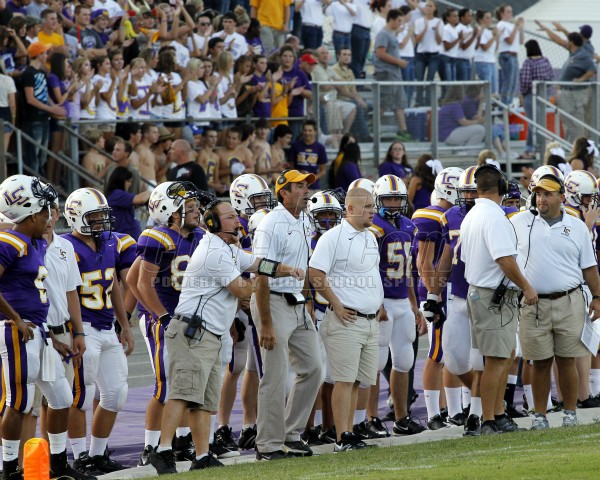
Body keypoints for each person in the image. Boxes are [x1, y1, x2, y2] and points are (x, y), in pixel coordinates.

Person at [148, 200, 304, 473]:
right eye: (230, 217)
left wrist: (287, 268)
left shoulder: (227, 249)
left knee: (203, 401)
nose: (236, 221)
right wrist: (260, 282)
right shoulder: (214, 252)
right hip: (193, 332)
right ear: (213, 223)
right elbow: (241, 289)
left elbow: (257, 262)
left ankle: (202, 455)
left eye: (235, 215)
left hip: (211, 333)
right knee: (183, 393)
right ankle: (161, 450)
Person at [0, 175, 89, 480]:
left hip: (38, 331)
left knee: (62, 398)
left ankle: (59, 464)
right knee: (19, 402)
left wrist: (51, 336)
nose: (50, 217)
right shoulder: (10, 241)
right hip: (16, 331)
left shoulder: (35, 243)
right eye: (45, 211)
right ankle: (9, 469)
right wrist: (15, 318)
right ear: (30, 213)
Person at [511, 173, 600, 430]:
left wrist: (597, 297)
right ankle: (540, 415)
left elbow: (589, 266)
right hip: (533, 304)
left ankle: (570, 412)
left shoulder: (577, 226)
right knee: (539, 362)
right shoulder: (519, 222)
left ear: (561, 197)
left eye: (548, 194)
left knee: (567, 360)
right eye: (538, 194)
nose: (541, 199)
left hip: (569, 299)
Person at [126, 181, 205, 466]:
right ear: (170, 212)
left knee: (186, 382)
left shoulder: (199, 235)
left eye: (195, 206)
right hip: (164, 318)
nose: (196, 211)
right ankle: (150, 447)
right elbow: (136, 281)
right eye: (189, 207)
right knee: (165, 386)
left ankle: (181, 441)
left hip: (189, 319)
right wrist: (160, 316)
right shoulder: (157, 237)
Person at [460, 163, 538, 435]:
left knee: (505, 355)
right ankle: (489, 419)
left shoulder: (472, 215)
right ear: (502, 187)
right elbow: (504, 259)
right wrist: (526, 286)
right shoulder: (494, 217)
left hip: (482, 292)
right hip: (493, 295)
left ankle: (498, 414)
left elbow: (466, 257)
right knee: (496, 360)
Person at [251, 169, 323, 460]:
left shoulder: (304, 219)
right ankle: (268, 444)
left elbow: (302, 264)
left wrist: (308, 300)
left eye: (307, 186)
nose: (307, 191)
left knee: (314, 368)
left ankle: (291, 434)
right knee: (275, 375)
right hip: (273, 301)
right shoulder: (271, 224)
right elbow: (261, 274)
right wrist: (266, 323)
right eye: (300, 186)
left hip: (296, 301)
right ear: (284, 193)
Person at [62, 188, 134, 476]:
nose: (102, 222)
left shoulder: (109, 242)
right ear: (76, 217)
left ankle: (97, 454)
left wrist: (124, 324)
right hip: (83, 329)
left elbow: (113, 283)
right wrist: (75, 331)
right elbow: (65, 292)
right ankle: (80, 456)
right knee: (81, 394)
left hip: (106, 326)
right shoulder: (65, 246)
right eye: (94, 217)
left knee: (116, 393)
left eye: (103, 216)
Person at [308, 187, 383, 451]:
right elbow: (315, 273)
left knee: (358, 381)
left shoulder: (370, 237)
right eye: (367, 206)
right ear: (350, 209)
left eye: (373, 206)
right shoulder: (333, 237)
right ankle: (341, 437)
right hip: (347, 319)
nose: (372, 211)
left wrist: (378, 303)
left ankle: (349, 432)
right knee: (344, 380)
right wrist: (337, 305)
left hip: (369, 319)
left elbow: (371, 274)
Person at [369, 174, 425, 436]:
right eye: (388, 199)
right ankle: (370, 419)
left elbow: (409, 270)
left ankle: (401, 418)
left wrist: (414, 304)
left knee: (404, 361)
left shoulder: (409, 225)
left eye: (397, 199)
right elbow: (369, 269)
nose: (393, 204)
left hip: (403, 300)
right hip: (383, 302)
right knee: (376, 363)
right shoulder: (373, 227)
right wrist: (377, 303)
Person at [412, 167, 464, 429]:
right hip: (437, 293)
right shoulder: (430, 216)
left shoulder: (449, 215)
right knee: (437, 353)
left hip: (449, 291)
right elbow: (424, 263)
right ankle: (434, 414)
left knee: (452, 353)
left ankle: (453, 410)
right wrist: (435, 296)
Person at [22, 42, 66, 175]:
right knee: (33, 156)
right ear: (38, 55)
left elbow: (45, 93)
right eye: (44, 53)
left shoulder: (42, 72)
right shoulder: (28, 73)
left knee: (42, 155)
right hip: (34, 119)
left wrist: (54, 106)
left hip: (45, 118)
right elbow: (30, 98)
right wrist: (51, 109)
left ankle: (40, 181)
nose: (46, 55)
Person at [374, 8, 412, 141]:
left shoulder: (391, 34)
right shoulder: (383, 34)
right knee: (384, 103)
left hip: (395, 74)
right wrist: (399, 62)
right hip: (386, 73)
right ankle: (372, 127)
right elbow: (380, 53)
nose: (401, 24)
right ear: (391, 19)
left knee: (400, 103)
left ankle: (403, 131)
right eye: (399, 21)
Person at [518, 39, 553, 160]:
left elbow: (525, 81)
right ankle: (529, 149)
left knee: (533, 124)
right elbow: (551, 77)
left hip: (530, 96)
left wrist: (522, 94)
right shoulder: (545, 60)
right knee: (537, 122)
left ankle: (537, 148)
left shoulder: (528, 63)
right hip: (544, 95)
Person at [105, 166, 151, 239]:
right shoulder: (117, 194)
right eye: (128, 181)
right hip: (125, 239)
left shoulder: (117, 195)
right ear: (120, 180)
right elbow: (141, 199)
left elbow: (138, 203)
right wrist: (153, 192)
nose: (130, 184)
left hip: (129, 238)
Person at [495, 4, 524, 107]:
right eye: (508, 11)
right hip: (507, 54)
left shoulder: (511, 25)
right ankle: (504, 104)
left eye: (511, 11)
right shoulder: (501, 25)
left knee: (513, 82)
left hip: (514, 55)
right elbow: (509, 40)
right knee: (508, 81)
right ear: (502, 13)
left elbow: (521, 41)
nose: (510, 14)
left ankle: (509, 102)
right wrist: (516, 27)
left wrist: (521, 28)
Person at [289, 120, 328, 190]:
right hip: (297, 184)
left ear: (315, 132)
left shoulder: (320, 147)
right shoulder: (295, 146)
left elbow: (323, 170)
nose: (307, 133)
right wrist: (298, 173)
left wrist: (312, 179)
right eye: (305, 130)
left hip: (314, 186)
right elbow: (290, 165)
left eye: (310, 130)